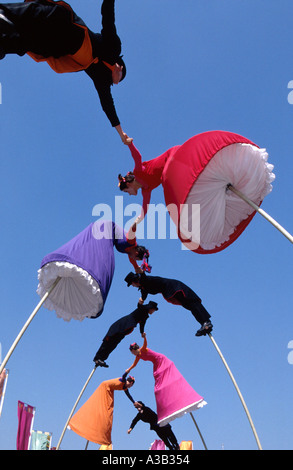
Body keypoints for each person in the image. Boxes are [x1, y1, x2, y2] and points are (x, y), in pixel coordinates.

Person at [0, 0, 132, 143]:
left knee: (26, 43)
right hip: (66, 25)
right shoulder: (113, 49)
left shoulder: (101, 77)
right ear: (121, 68)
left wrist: (121, 133)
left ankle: (3, 42)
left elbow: (107, 104)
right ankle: (4, 14)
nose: (115, 83)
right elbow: (108, 18)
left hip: (57, 47)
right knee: (36, 14)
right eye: (119, 79)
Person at [125, 334, 207, 427]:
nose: (133, 354)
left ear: (135, 349)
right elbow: (134, 364)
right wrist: (129, 369)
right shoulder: (138, 356)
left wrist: (144, 337)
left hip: (161, 360)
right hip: (156, 364)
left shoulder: (142, 350)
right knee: (158, 386)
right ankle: (167, 401)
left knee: (163, 380)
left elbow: (145, 344)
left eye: (132, 352)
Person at [118, 140, 181, 234]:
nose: (130, 195)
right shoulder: (146, 190)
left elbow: (137, 157)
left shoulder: (138, 172)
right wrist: (136, 223)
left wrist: (130, 144)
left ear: (128, 184)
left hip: (174, 154)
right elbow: (144, 210)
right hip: (175, 167)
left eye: (127, 191)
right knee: (169, 192)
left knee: (166, 182)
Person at [124, 271, 213, 336]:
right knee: (189, 306)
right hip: (169, 290)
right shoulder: (144, 287)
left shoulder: (144, 280)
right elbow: (143, 296)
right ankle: (203, 323)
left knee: (191, 303)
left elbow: (142, 275)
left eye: (131, 284)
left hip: (173, 287)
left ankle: (206, 321)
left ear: (134, 281)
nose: (132, 286)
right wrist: (141, 302)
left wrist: (138, 268)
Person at [69, 374, 135, 446]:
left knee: (107, 411)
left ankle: (97, 431)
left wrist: (134, 402)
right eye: (130, 385)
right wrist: (127, 371)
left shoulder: (125, 388)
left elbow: (128, 395)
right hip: (105, 388)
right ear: (129, 382)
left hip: (109, 391)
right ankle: (74, 424)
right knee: (106, 409)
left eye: (131, 386)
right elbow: (124, 376)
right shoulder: (123, 381)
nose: (130, 387)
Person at [93, 301, 158, 367]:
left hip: (124, 330)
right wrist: (140, 302)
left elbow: (142, 325)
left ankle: (102, 359)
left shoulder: (145, 315)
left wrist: (142, 332)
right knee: (109, 341)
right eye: (154, 310)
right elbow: (140, 306)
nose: (153, 312)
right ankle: (97, 358)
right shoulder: (143, 309)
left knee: (113, 344)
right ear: (151, 308)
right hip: (121, 326)